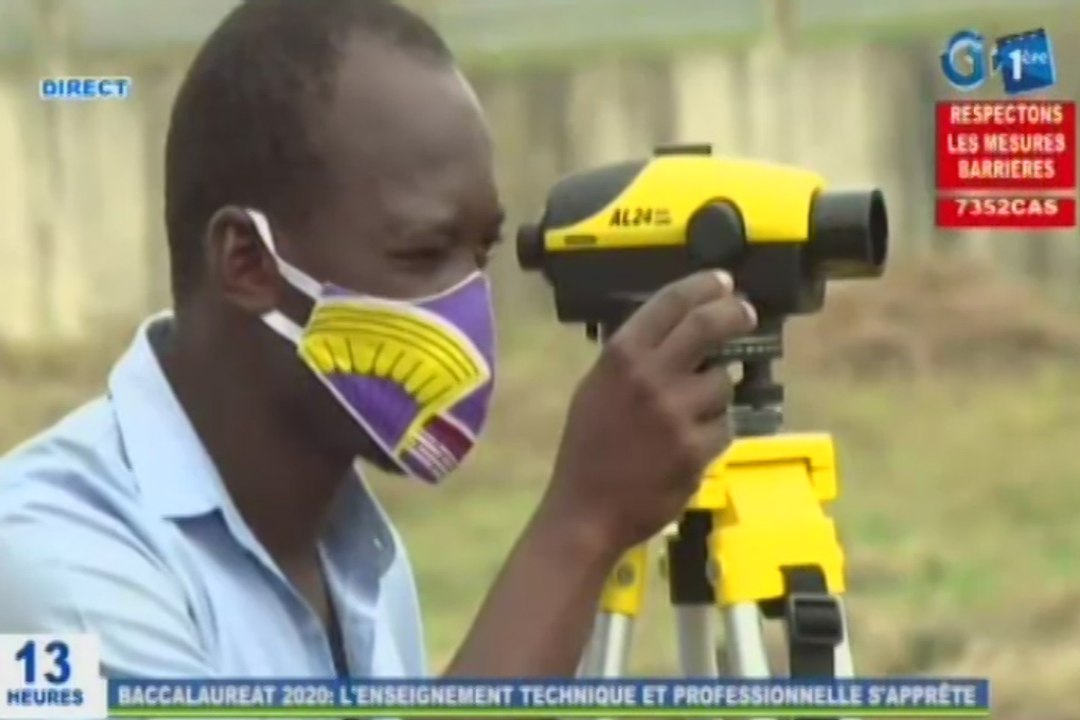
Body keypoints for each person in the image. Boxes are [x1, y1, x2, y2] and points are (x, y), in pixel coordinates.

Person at [0, 0, 756, 679]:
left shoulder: (361, 555)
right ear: (248, 263)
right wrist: (582, 523)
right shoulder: (55, 570)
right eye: (422, 256)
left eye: (481, 255)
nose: (467, 310)